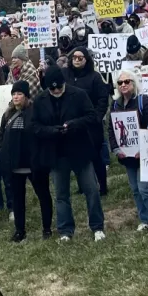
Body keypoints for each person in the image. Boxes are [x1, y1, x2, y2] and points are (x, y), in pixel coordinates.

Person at [30, 66, 105, 241]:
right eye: (52, 88)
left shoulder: (78, 94)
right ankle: (65, 230)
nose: (56, 91)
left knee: (91, 190)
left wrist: (74, 124)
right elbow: (35, 126)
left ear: (64, 83)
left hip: (79, 150)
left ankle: (97, 226)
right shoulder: (40, 100)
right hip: (56, 154)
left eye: (59, 87)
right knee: (61, 194)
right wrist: (52, 131)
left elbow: (92, 116)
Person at [108, 70, 148, 234]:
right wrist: (117, 150)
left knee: (145, 188)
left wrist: (144, 149)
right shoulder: (115, 105)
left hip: (143, 154)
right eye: (120, 82)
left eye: (127, 81)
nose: (123, 85)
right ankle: (143, 219)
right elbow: (111, 130)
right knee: (135, 190)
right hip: (127, 156)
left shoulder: (143, 101)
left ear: (134, 83)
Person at [0, 82, 48, 242]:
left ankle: (47, 228)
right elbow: (1, 137)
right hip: (14, 167)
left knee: (43, 196)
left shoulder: (36, 112)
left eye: (19, 94)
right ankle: (20, 231)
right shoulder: (7, 115)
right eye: (14, 94)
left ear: (26, 96)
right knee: (18, 199)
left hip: (34, 165)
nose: (16, 97)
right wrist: (3, 155)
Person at [64, 47, 112, 197]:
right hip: (72, 123)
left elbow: (103, 99)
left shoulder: (95, 77)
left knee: (96, 157)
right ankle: (82, 186)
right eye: (75, 57)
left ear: (86, 60)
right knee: (77, 156)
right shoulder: (66, 75)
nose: (77, 60)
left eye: (80, 58)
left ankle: (102, 186)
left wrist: (97, 117)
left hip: (91, 124)